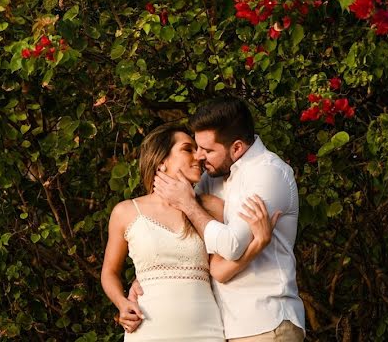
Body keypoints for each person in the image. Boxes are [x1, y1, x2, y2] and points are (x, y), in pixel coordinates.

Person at [148, 97, 306, 341]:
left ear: (237, 148)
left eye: (207, 150)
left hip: (267, 323)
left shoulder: (267, 174)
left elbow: (231, 246)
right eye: (196, 147)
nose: (199, 157)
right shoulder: (213, 174)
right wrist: (144, 281)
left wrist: (191, 204)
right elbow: (173, 218)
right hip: (225, 328)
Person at [101, 124, 280, 340]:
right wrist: (122, 303)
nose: (198, 156)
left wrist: (258, 243)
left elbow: (221, 271)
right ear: (161, 160)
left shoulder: (213, 207)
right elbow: (109, 272)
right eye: (188, 149)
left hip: (206, 331)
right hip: (148, 330)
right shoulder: (126, 211)